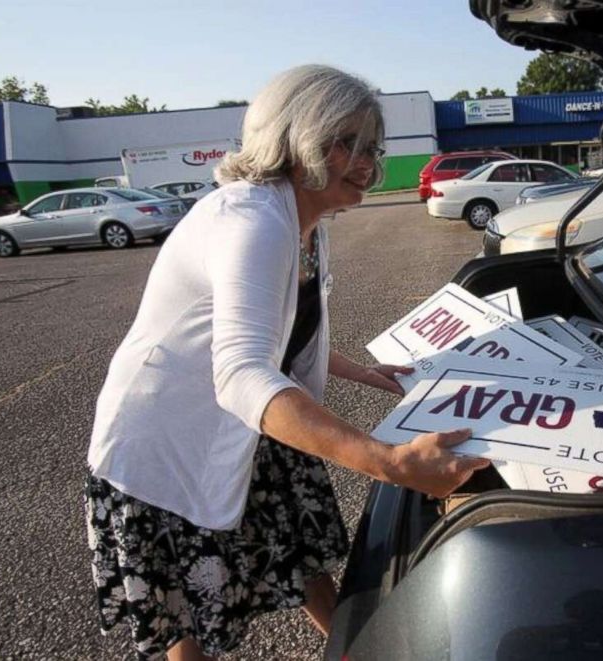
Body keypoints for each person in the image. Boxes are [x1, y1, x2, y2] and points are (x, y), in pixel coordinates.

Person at [84, 64, 489, 661]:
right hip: (167, 442)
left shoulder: (304, 221)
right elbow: (244, 373)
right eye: (344, 141)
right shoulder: (251, 220)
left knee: (294, 549)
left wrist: (371, 374)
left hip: (242, 420)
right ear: (293, 137)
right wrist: (388, 463)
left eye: (371, 146)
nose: (366, 162)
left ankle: (354, 650)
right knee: (189, 612)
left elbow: (286, 337)